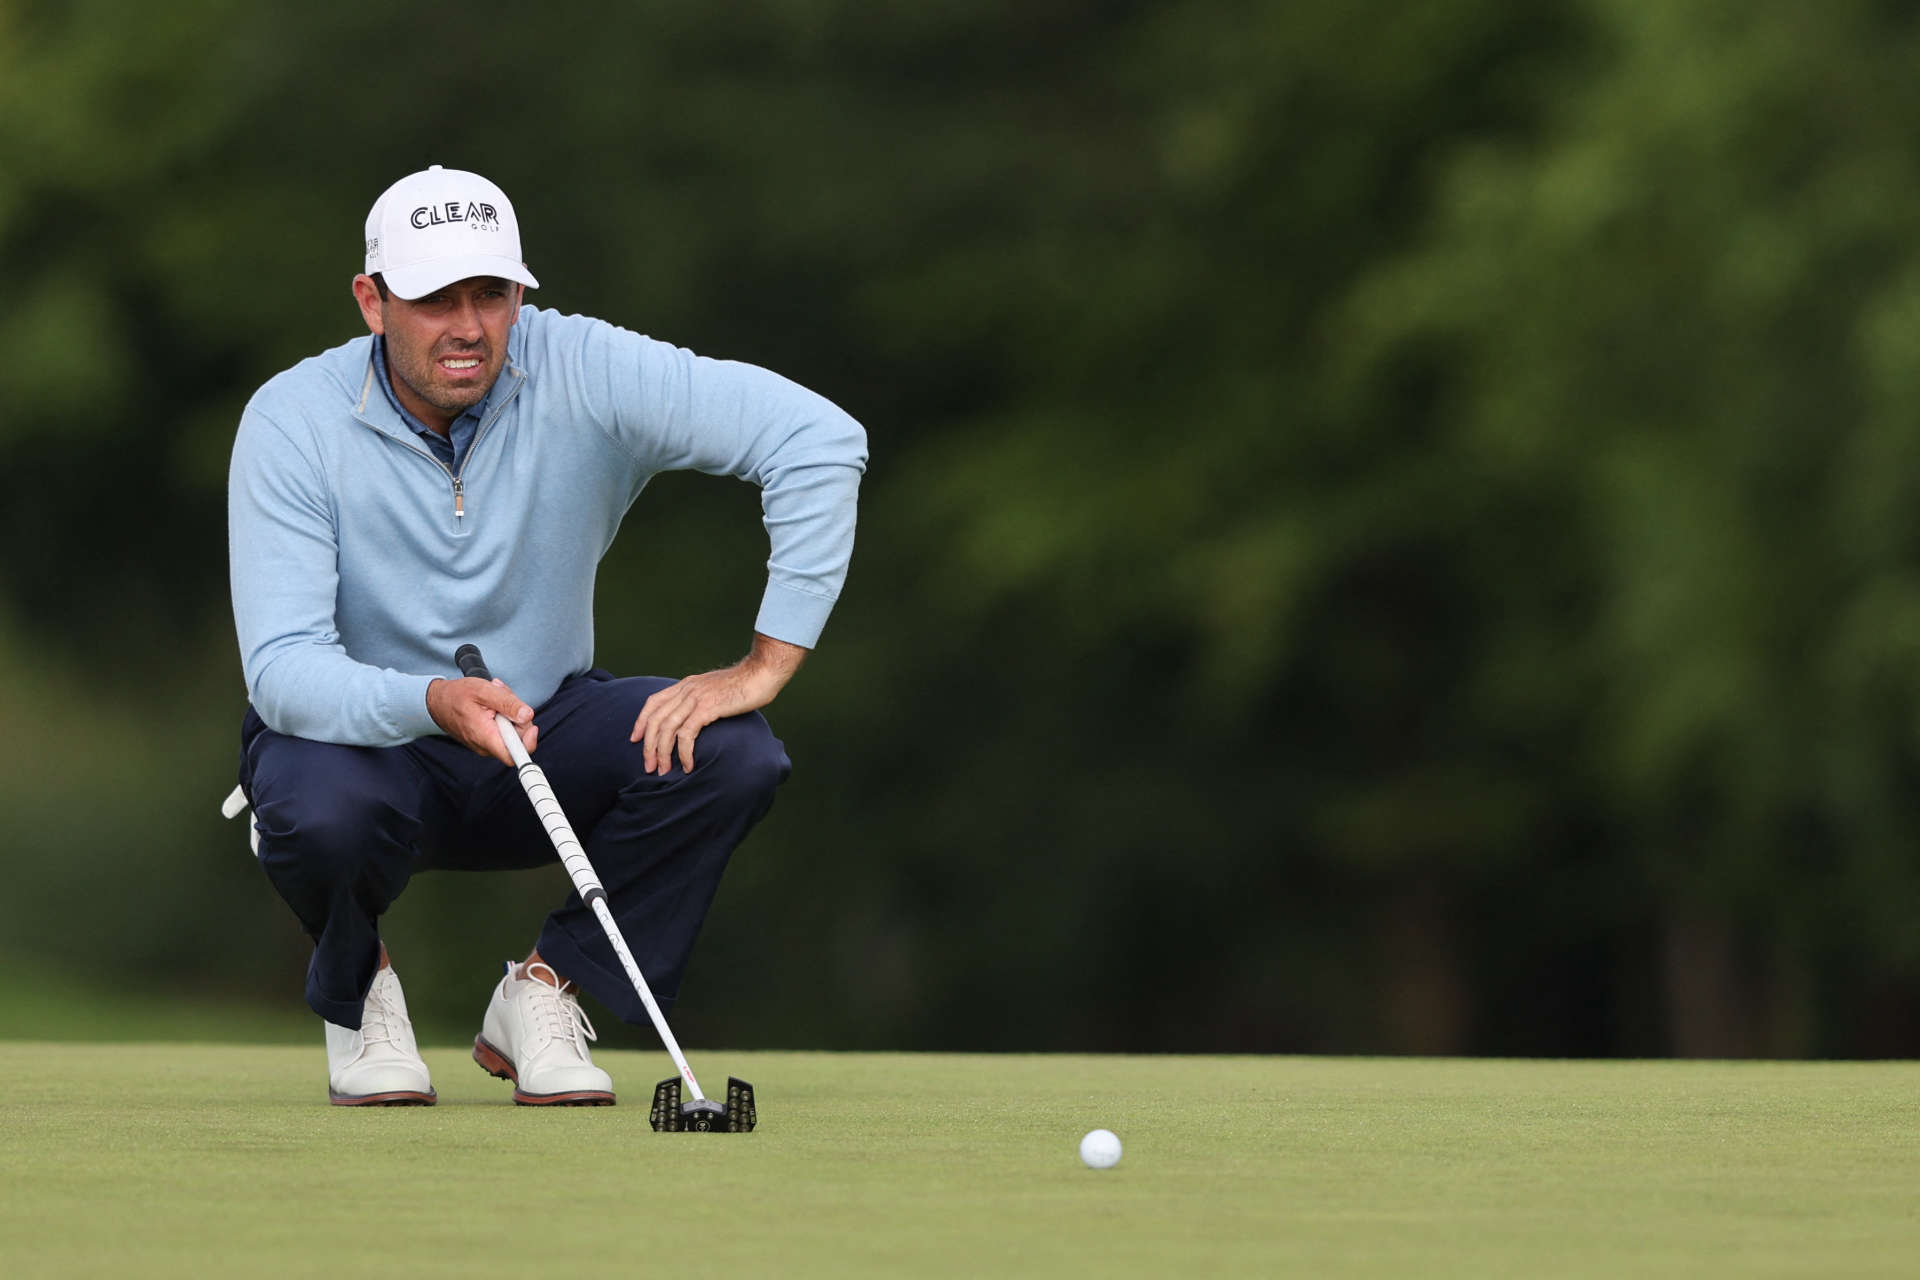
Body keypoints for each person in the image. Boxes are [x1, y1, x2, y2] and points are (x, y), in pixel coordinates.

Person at [226, 165, 866, 1106]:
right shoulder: (292, 419)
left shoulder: (584, 367)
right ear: (372, 301)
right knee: (312, 801)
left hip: (538, 729)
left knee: (732, 753)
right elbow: (282, 671)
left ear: (521, 296)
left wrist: (765, 665)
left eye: (491, 294)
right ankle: (362, 993)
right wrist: (432, 700)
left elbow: (818, 440)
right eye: (434, 299)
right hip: (365, 748)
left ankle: (544, 991)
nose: (469, 326)